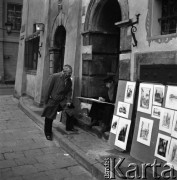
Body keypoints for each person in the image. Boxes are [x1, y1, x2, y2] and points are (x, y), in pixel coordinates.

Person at [41, 65, 77, 141]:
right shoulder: (54, 77)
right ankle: (48, 133)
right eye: (69, 73)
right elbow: (47, 89)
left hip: (62, 100)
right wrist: (46, 101)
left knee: (71, 109)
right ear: (64, 72)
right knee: (49, 116)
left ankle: (69, 127)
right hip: (53, 100)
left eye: (71, 73)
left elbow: (69, 91)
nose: (70, 74)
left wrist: (68, 101)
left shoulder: (69, 80)